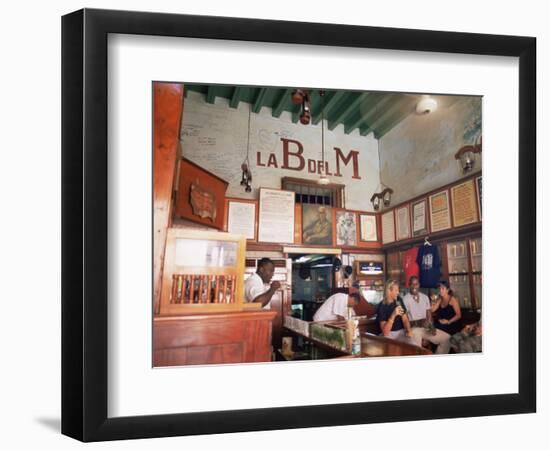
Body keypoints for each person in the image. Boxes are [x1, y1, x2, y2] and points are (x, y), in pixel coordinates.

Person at [403, 275, 451, 353]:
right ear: (409, 285)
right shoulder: (405, 299)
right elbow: (405, 321)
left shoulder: (425, 297)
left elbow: (429, 316)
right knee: (418, 350)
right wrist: (421, 325)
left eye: (416, 284)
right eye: (412, 284)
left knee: (447, 338)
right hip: (413, 329)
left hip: (426, 329)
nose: (414, 286)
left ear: (419, 285)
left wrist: (431, 328)